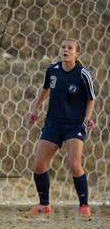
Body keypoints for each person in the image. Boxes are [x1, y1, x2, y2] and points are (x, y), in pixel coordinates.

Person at [26, 38, 96, 216]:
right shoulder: (52, 70)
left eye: (70, 48)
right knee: (39, 165)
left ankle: (84, 205)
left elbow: (91, 98)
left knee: (74, 164)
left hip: (74, 125)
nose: (65, 50)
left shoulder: (83, 74)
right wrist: (35, 108)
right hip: (53, 123)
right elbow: (45, 89)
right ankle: (43, 205)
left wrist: (87, 118)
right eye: (63, 47)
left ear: (76, 53)